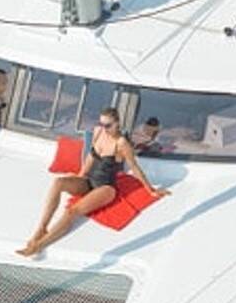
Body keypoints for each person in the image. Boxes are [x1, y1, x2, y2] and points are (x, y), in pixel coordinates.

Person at [17, 107, 169, 257]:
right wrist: (80, 176)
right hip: (89, 180)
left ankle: (38, 246)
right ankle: (42, 228)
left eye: (108, 125)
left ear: (117, 124)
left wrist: (151, 190)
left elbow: (134, 167)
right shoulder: (99, 132)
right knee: (58, 182)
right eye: (102, 124)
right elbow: (91, 156)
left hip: (106, 188)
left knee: (72, 211)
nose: (104, 128)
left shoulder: (121, 143)